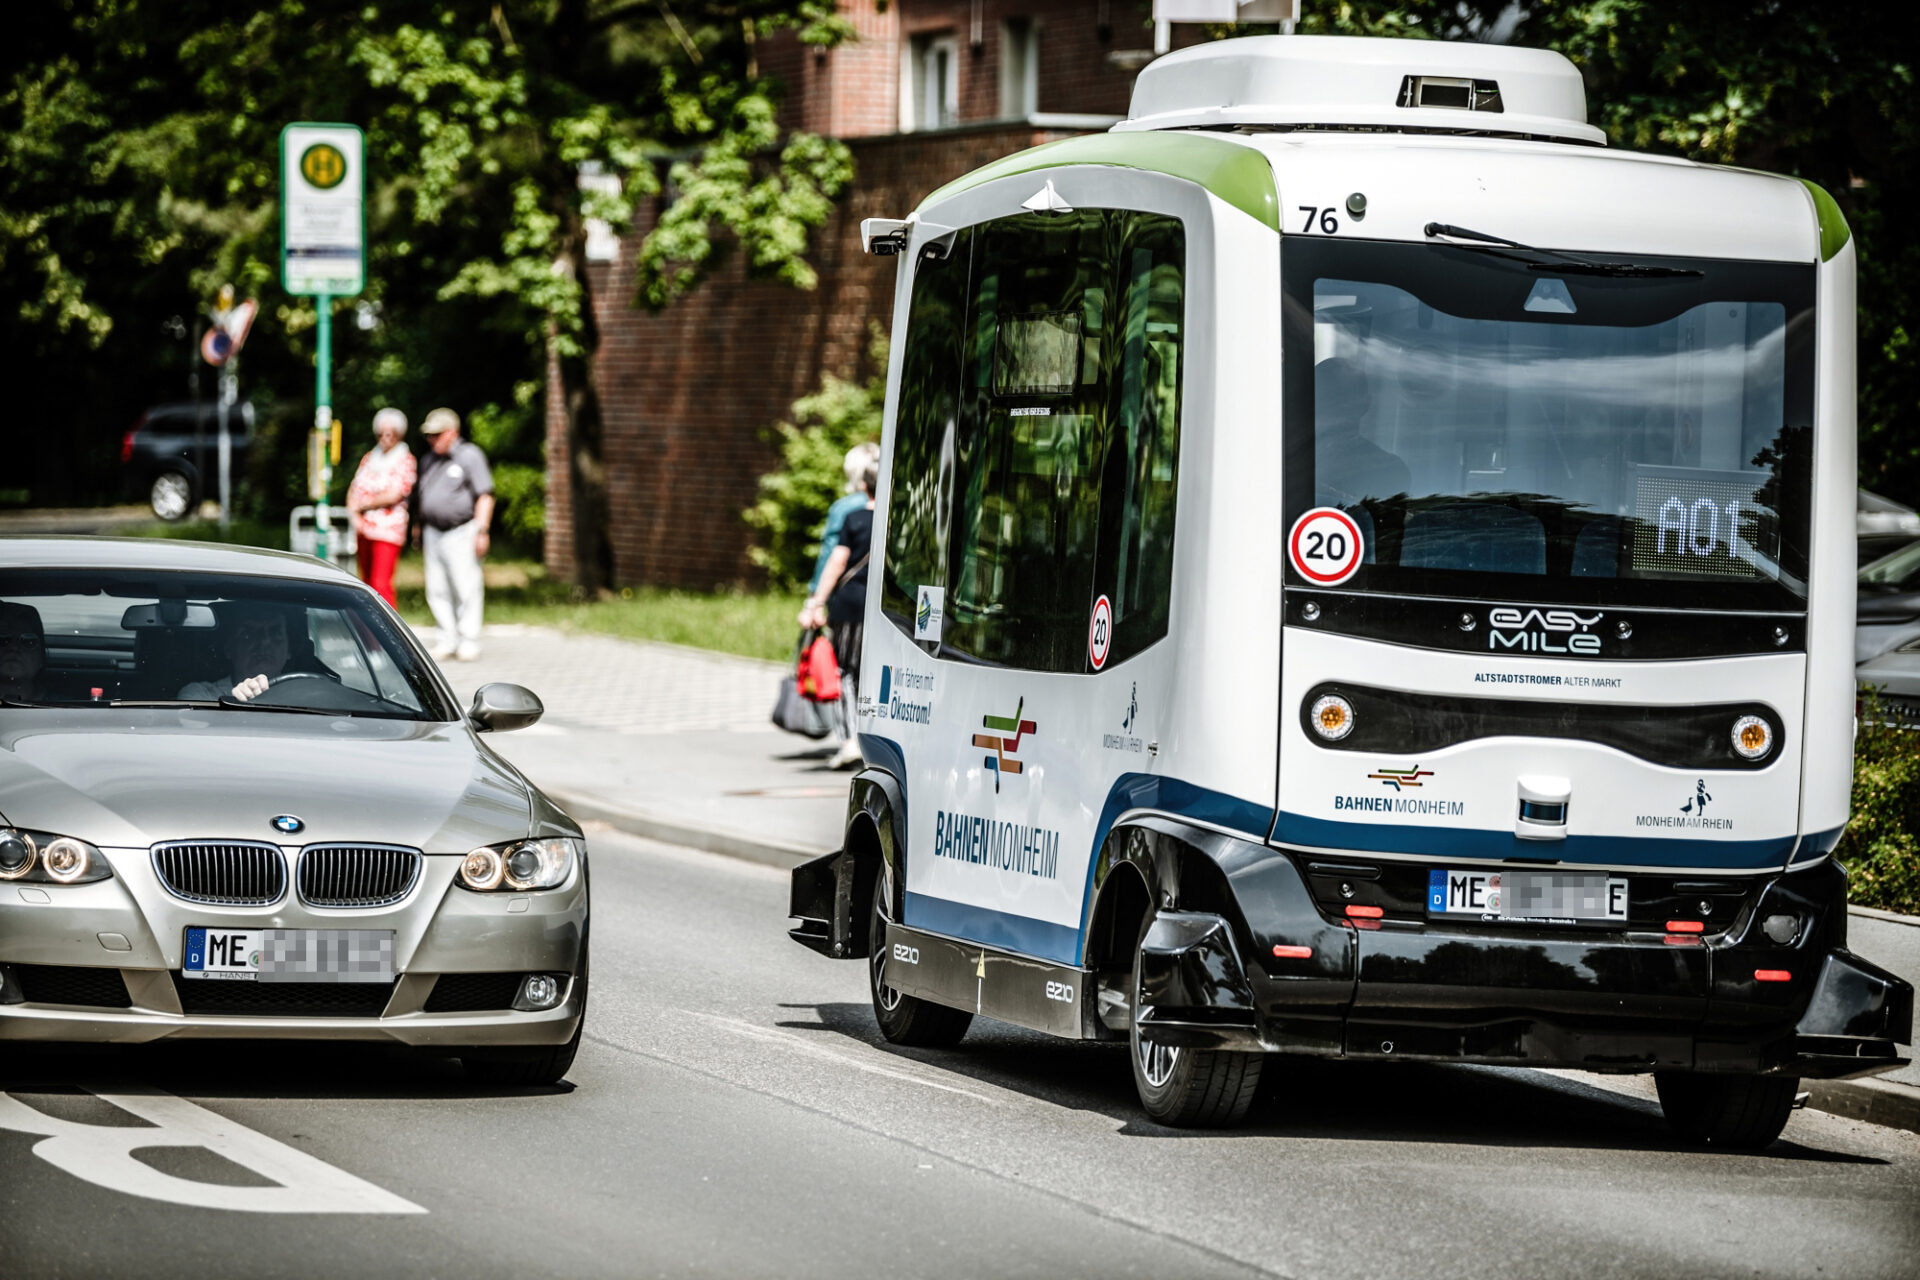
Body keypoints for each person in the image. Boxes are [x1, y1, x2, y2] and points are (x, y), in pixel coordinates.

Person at [799, 457, 876, 769]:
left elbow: (837, 562)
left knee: (846, 670)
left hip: (849, 605)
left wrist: (816, 602)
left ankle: (849, 740)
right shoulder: (896, 520)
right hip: (884, 609)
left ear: (863, 485)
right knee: (872, 672)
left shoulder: (855, 518)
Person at [415, 407, 494, 661]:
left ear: (452, 432)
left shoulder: (469, 455)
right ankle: (446, 639)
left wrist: (482, 530)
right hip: (433, 531)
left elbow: (485, 495)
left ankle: (468, 639)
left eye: (437, 434)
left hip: (461, 530)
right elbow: (423, 497)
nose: (431, 439)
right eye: (429, 435)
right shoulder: (428, 460)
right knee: (437, 588)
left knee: (465, 586)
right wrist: (419, 525)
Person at [1313, 356, 1411, 506]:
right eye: (1331, 398)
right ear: (1367, 403)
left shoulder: (1280, 460)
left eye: (1342, 399)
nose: (1338, 409)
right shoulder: (1390, 470)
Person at [345, 407, 417, 607]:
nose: (385, 437)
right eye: (381, 433)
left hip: (387, 530)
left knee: (380, 583)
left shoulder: (405, 459)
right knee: (364, 584)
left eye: (391, 433)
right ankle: (366, 632)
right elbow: (354, 488)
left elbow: (396, 493)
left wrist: (365, 503)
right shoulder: (370, 458)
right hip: (363, 528)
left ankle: (386, 634)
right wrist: (355, 515)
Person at [178, 603, 300, 702]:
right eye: (248, 634)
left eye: (275, 633)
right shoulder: (202, 695)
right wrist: (239, 702)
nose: (264, 642)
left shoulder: (307, 695)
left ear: (289, 649)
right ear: (229, 649)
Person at [809, 442, 882, 600]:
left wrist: (815, 596)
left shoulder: (844, 507)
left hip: (846, 593)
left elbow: (831, 551)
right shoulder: (891, 505)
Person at [0, 602, 46, 703]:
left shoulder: (67, 710)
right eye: (3, 639)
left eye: (28, 641)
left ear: (41, 657)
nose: (14, 647)